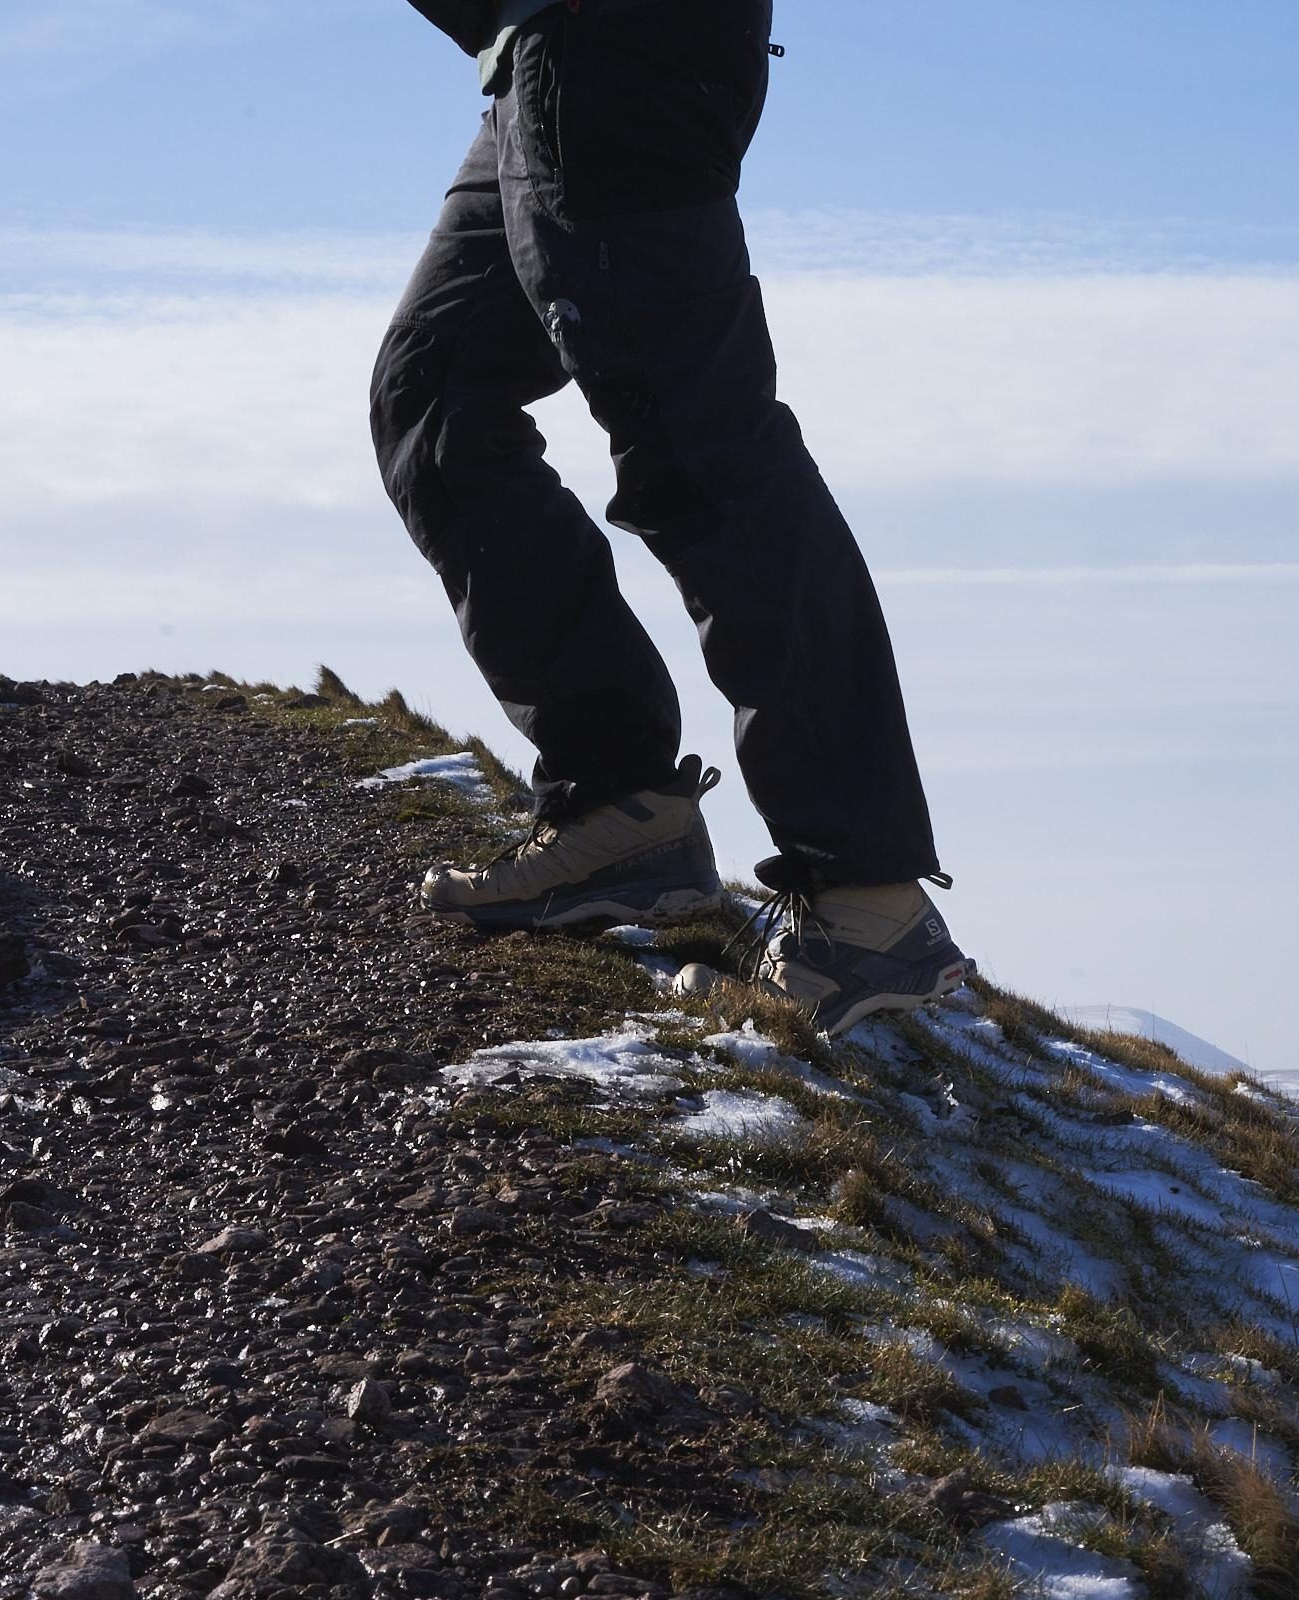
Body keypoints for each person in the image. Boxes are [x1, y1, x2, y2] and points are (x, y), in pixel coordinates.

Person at [376, 0, 971, 1035]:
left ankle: (865, 896)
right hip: (541, 56)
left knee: (700, 447)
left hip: (614, 52)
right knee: (435, 399)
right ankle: (620, 808)